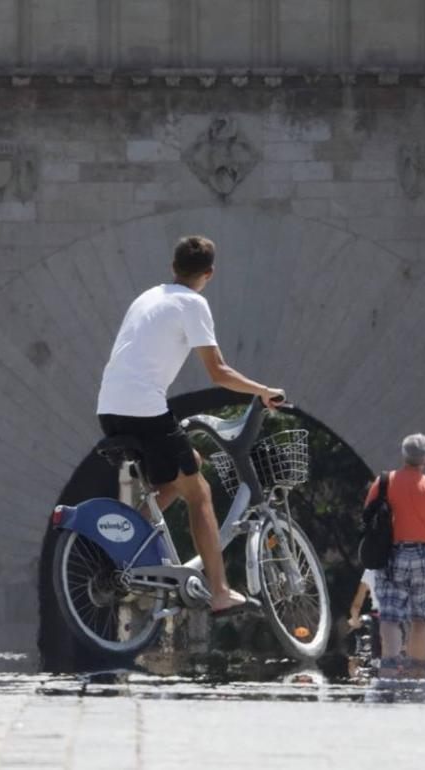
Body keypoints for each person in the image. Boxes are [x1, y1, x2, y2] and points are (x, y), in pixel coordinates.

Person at [96, 235, 285, 613]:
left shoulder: (147, 297)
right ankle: (219, 592)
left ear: (172, 267)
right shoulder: (192, 302)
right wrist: (263, 390)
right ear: (209, 273)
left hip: (110, 410)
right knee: (199, 493)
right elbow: (218, 372)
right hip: (144, 411)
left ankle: (123, 547)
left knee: (186, 468)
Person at [363, 434, 425, 674]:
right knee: (421, 618)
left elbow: (368, 515)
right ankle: (418, 672)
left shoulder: (383, 482)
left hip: (392, 554)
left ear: (404, 456)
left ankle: (390, 666)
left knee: (390, 614)